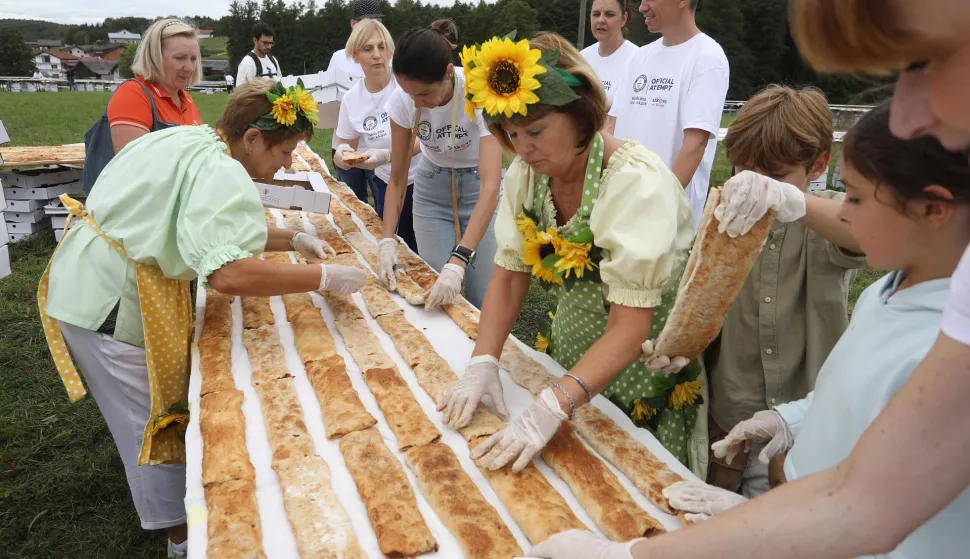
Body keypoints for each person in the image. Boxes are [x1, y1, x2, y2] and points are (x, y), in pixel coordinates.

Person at [530, 1, 970, 556]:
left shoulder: (916, 291)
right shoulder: (896, 290)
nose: (900, 112)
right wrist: (792, 417)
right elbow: (854, 397)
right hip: (772, 445)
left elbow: (861, 506)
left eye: (921, 64)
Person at [37, 78, 365, 559]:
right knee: (152, 425)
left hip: (90, 274)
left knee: (157, 415)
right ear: (252, 138)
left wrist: (289, 240)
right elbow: (228, 272)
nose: (288, 164)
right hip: (111, 303)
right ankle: (182, 538)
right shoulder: (222, 172)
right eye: (285, 151)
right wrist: (321, 276)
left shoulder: (194, 136)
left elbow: (209, 226)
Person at [439, 31, 701, 470]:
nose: (523, 147)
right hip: (571, 349)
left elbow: (630, 326)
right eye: (511, 132)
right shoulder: (529, 173)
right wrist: (483, 358)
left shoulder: (636, 183)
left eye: (536, 130)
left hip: (638, 366)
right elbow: (509, 273)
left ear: (580, 115)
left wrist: (550, 407)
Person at [684, 85, 865, 494]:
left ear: (819, 165)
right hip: (731, 409)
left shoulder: (828, 218)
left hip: (809, 420)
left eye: (776, 177)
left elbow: (863, 231)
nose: (757, 187)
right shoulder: (725, 221)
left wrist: (790, 199)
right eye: (745, 172)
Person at [377, 20, 504, 311]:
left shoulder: (480, 92)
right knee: (435, 286)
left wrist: (459, 260)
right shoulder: (403, 101)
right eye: (409, 94)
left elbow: (490, 186)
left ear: (449, 73)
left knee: (484, 296)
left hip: (477, 188)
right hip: (431, 189)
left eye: (423, 94)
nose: (417, 103)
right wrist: (386, 240)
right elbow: (396, 179)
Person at [606, 0, 729, 231]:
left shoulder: (707, 58)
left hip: (665, 222)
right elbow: (611, 126)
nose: (642, 8)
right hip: (619, 212)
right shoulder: (639, 57)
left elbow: (695, 144)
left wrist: (658, 207)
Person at [333, 19, 419, 251]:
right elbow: (344, 147)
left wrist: (388, 154)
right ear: (354, 55)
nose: (377, 55)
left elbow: (425, 138)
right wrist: (342, 155)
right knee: (396, 249)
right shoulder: (352, 100)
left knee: (422, 253)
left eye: (382, 47)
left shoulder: (407, 86)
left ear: (391, 51)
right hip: (386, 184)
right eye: (368, 49)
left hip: (422, 181)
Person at [107, 19, 202, 154]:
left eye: (193, 59)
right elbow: (132, 166)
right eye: (180, 58)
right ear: (153, 57)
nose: (190, 68)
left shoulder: (186, 99)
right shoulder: (133, 94)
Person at [327, 0, 384, 203]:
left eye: (376, 22)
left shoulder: (386, 56)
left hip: (377, 144)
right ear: (353, 24)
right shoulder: (338, 57)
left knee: (382, 199)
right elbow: (328, 96)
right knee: (352, 201)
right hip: (346, 142)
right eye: (365, 23)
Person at [580, 0, 639, 107]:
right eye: (596, 14)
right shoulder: (581, 58)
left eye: (609, 14)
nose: (601, 20)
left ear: (624, 19)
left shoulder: (637, 59)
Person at [235, 22, 280, 87]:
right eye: (265, 43)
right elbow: (240, 93)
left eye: (271, 43)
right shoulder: (247, 63)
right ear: (255, 40)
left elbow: (281, 84)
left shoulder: (273, 60)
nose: (269, 47)